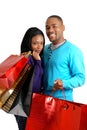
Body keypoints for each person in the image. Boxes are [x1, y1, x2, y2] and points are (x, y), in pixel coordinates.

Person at [43, 15, 85, 101]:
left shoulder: (73, 51)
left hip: (62, 103)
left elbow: (81, 78)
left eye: (54, 26)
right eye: (47, 28)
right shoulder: (44, 49)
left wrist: (63, 83)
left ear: (63, 28)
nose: (50, 30)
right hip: (43, 100)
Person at [15, 27, 45, 130]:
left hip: (33, 104)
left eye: (41, 43)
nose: (39, 46)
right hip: (25, 105)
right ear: (28, 43)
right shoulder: (27, 59)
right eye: (35, 43)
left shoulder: (37, 57)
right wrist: (38, 62)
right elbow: (35, 82)